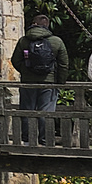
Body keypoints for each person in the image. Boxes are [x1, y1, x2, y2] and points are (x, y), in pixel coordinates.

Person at [13, 14, 66, 144]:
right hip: (48, 82)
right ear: (47, 25)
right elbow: (64, 64)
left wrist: (26, 72)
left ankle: (27, 140)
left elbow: (15, 60)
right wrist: (59, 82)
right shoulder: (56, 41)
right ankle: (45, 140)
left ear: (33, 24)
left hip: (28, 82)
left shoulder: (24, 41)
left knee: (27, 110)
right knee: (46, 111)